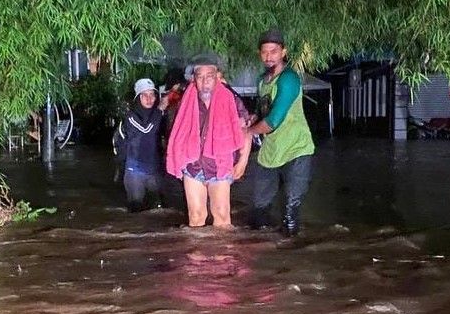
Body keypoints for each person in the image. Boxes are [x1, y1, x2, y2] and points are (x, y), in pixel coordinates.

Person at [166, 52, 252, 228]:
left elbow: (246, 130)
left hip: (219, 165)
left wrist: (242, 162)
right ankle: (196, 255)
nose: (205, 81)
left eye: (210, 76)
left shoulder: (231, 99)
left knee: (222, 217)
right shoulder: (184, 102)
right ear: (193, 79)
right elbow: (176, 134)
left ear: (218, 77)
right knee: (196, 217)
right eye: (200, 76)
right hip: (192, 165)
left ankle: (224, 256)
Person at [246, 28, 315, 237]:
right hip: (271, 152)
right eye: (265, 52)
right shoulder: (262, 80)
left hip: (296, 149)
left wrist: (247, 132)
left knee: (290, 215)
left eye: (274, 51)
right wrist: (253, 118)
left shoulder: (289, 79)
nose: (268, 57)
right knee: (258, 214)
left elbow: (274, 121)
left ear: (283, 52)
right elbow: (263, 111)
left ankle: (291, 261)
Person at [113, 78, 166, 212]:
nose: (149, 99)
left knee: (159, 210)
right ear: (137, 98)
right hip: (135, 171)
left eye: (152, 95)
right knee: (136, 211)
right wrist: (160, 109)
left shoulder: (159, 116)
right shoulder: (130, 117)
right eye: (144, 95)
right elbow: (146, 130)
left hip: (154, 170)